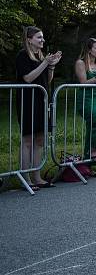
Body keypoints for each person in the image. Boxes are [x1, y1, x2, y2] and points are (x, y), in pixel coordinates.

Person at [15, 26, 61, 190]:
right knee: (27, 139)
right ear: (29, 39)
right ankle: (25, 178)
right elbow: (28, 78)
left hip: (41, 101)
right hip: (27, 102)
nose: (42, 40)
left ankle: (37, 176)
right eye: (39, 38)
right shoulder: (22, 56)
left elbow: (46, 81)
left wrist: (51, 66)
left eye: (42, 37)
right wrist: (45, 63)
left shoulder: (41, 57)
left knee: (40, 139)